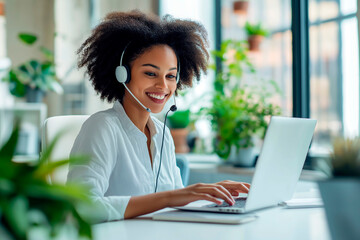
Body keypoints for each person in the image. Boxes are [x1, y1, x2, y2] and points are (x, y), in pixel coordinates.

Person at [67, 10, 250, 222]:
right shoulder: (102, 127)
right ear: (122, 74)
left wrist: (208, 193)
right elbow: (82, 206)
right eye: (150, 73)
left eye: (171, 76)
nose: (163, 86)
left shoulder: (162, 133)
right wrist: (169, 198)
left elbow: (176, 198)